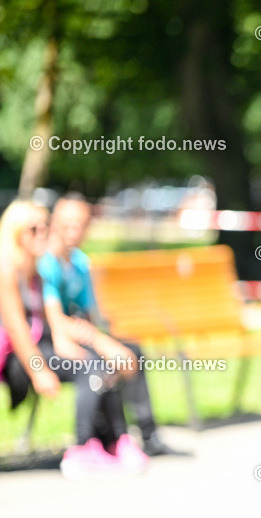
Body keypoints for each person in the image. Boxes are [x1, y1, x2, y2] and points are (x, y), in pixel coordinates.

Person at [0, 200, 148, 476]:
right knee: (89, 367)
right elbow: (18, 330)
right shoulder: (8, 271)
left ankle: (115, 441)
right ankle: (82, 448)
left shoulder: (37, 273)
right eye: (33, 229)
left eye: (45, 227)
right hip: (18, 361)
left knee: (100, 363)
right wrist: (39, 371)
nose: (43, 233)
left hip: (39, 348)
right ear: (16, 233)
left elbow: (50, 318)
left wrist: (69, 340)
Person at [38, 193, 179, 455]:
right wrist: (101, 343)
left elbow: (89, 315)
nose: (72, 231)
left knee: (132, 351)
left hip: (80, 332)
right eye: (66, 224)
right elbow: (53, 317)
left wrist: (103, 339)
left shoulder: (80, 262)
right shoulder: (46, 263)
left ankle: (147, 435)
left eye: (79, 224)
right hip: (52, 339)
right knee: (104, 360)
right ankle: (105, 439)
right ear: (54, 224)